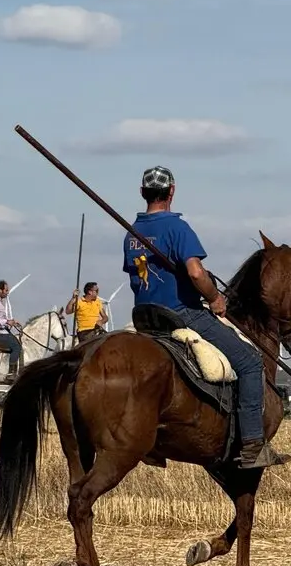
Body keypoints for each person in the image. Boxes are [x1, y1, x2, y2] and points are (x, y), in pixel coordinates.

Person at [122, 165, 289, 469]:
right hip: (180, 312)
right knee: (250, 362)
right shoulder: (177, 228)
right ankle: (253, 445)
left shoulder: (133, 232)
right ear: (171, 192)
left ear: (142, 192)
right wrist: (214, 298)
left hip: (145, 314)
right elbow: (196, 273)